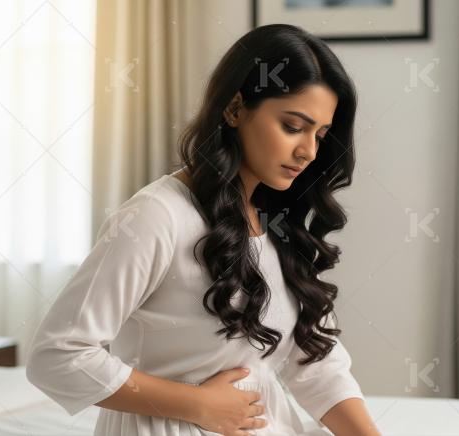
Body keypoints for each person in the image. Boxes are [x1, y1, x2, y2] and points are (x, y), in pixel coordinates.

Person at [26, 23, 380, 436]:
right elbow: (58, 355)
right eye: (292, 126)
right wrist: (196, 404)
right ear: (234, 109)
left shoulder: (276, 221)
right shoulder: (155, 217)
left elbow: (315, 362)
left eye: (320, 135)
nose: (308, 151)